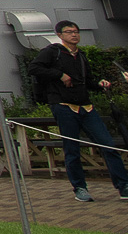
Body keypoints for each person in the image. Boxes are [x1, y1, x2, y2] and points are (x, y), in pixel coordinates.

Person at [27, 19, 128, 201]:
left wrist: (100, 84)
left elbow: (87, 81)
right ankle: (80, 188)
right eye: (69, 32)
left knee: (108, 145)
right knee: (72, 148)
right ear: (60, 35)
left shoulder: (81, 56)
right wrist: (60, 75)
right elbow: (33, 68)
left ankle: (123, 185)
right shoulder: (53, 52)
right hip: (64, 106)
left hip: (86, 107)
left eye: (76, 31)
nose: (74, 34)